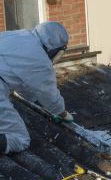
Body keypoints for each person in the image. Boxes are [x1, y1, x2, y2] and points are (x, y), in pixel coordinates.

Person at [0, 21, 73, 155]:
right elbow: (49, 96)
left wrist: (44, 105)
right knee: (20, 139)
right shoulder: (41, 61)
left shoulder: (17, 35)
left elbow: (24, 86)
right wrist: (62, 113)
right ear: (55, 50)